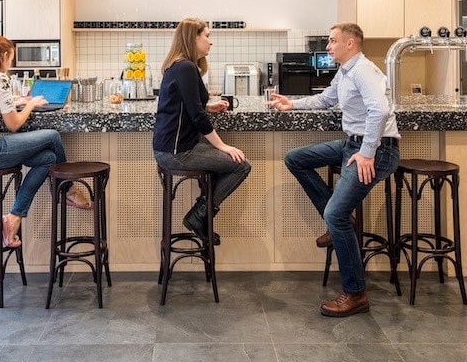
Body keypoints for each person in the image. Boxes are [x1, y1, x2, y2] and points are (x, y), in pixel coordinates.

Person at [268, 23, 400, 318]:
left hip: (376, 150)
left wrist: (367, 153)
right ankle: (342, 221)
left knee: (334, 215)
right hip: (351, 145)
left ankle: (356, 293)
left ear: (350, 43)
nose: (327, 47)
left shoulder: (363, 70)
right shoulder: (345, 71)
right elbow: (326, 99)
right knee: (295, 159)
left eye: (332, 41)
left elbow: (380, 110)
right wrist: (292, 104)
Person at [0, 35, 89, 249]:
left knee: (48, 158)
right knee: (53, 136)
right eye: (11, 58)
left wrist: (19, 100)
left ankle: (14, 216)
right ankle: (68, 190)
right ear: (4, 55)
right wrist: (31, 104)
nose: (10, 64)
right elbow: (14, 124)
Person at [152, 17, 250, 244]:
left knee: (224, 163)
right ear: (193, 38)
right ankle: (199, 216)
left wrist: (208, 106)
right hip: (176, 152)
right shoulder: (185, 67)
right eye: (207, 36)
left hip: (173, 146)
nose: (210, 41)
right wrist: (222, 145)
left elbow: (186, 104)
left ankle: (201, 214)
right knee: (241, 165)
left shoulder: (179, 65)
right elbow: (196, 116)